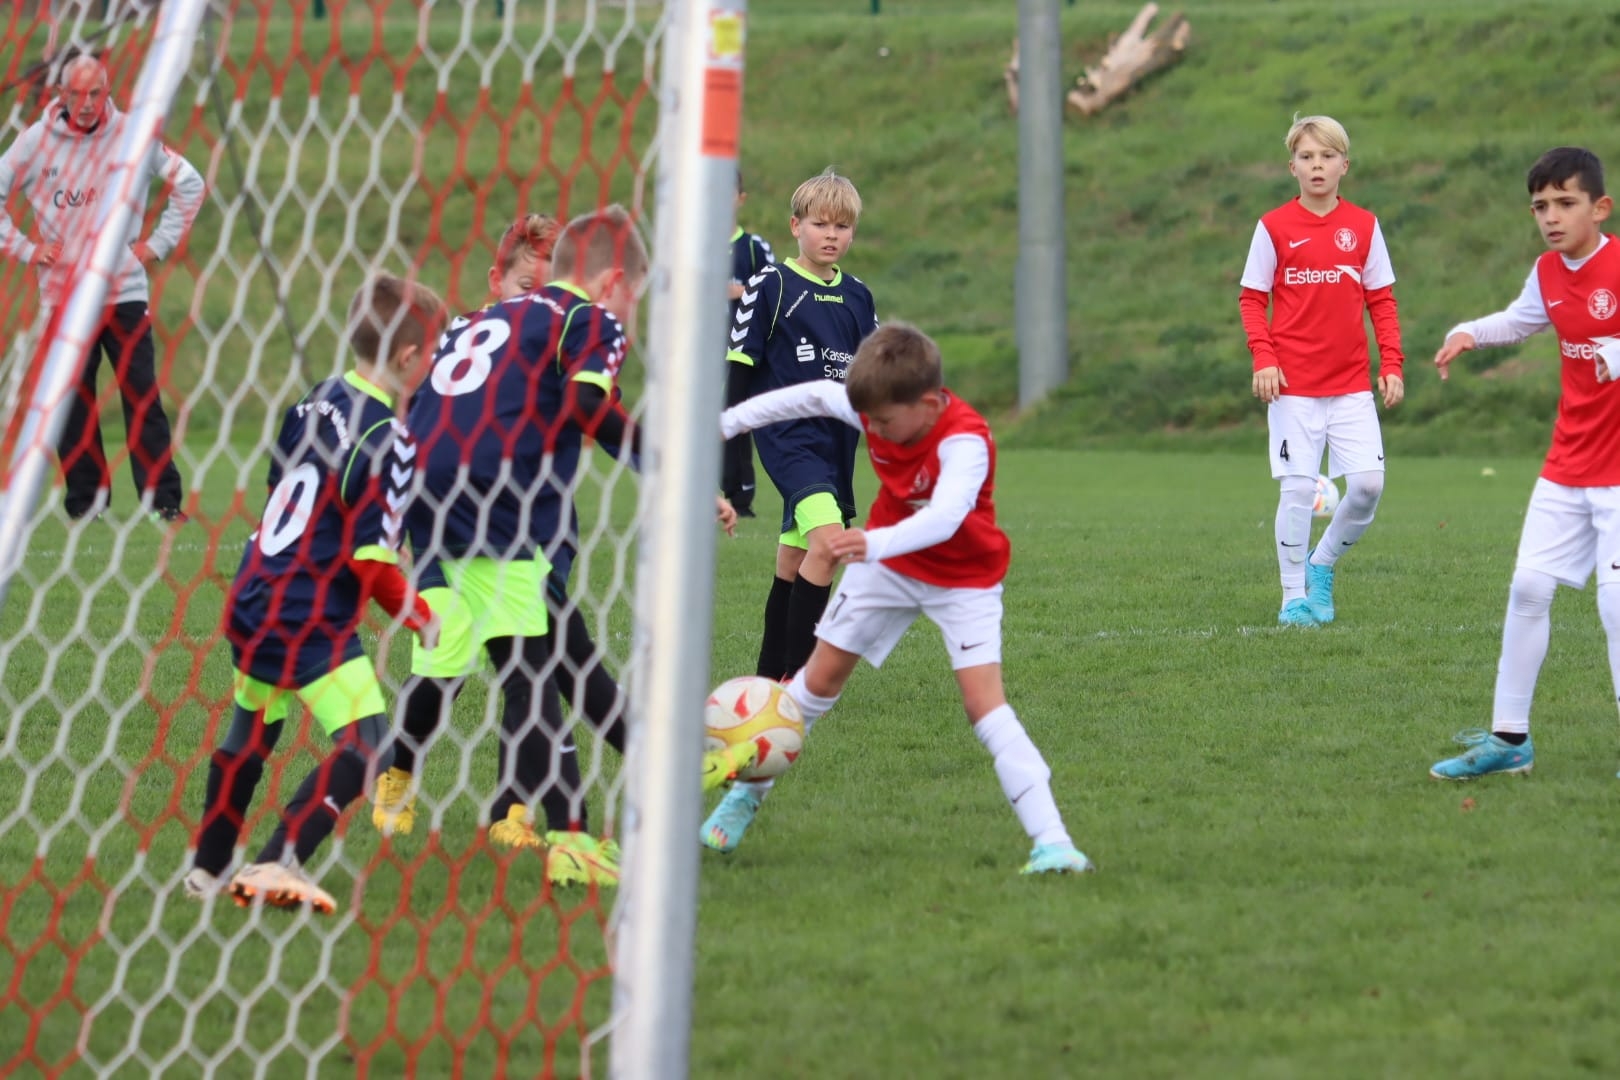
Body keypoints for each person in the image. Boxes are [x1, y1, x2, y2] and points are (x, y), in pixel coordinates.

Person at [373, 212, 748, 887]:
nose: (630, 312)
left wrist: (396, 514)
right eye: (634, 296)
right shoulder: (590, 321)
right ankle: (573, 836)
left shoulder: (481, 319)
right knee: (534, 665)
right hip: (501, 498)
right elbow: (586, 409)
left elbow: (425, 402)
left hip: (427, 494)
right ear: (612, 281)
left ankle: (658, 766)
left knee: (542, 649)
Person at [701, 322, 1093, 876]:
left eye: (884, 422)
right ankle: (744, 799)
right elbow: (808, 396)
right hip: (887, 568)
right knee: (815, 683)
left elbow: (946, 518)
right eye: (869, 420)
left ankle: (1053, 843)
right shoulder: (876, 405)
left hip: (963, 579)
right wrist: (726, 424)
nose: (875, 430)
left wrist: (871, 543)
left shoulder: (965, 441)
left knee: (985, 706)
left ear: (928, 405)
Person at [183, 274, 446, 914]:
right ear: (409, 357)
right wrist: (421, 616)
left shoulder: (316, 396)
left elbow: (285, 486)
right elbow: (372, 566)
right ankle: (279, 860)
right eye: (435, 350)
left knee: (251, 729)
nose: (437, 361)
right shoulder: (389, 439)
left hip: (254, 594)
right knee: (369, 744)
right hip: (308, 615)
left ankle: (206, 871)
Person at [1429, 146, 1620, 780]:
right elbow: (1520, 321)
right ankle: (1510, 739)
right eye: (1541, 206)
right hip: (1568, 463)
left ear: (1600, 207)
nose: (1551, 217)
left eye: (1566, 203)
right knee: (1528, 589)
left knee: (1616, 607)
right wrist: (1470, 331)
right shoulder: (1547, 272)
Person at [0, 54, 204, 524]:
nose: (87, 103)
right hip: (64, 297)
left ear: (108, 91)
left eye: (96, 93)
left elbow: (190, 184)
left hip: (122, 292)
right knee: (73, 402)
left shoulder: (133, 135)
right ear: (61, 95)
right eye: (77, 94)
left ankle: (163, 502)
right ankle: (86, 505)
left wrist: (156, 245)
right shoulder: (33, 142)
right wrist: (28, 248)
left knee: (141, 395)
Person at [1239, 114, 1404, 627]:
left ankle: (1322, 563)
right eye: (1307, 157)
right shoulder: (1273, 227)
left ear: (1343, 166)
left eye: (1327, 156)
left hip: (1351, 385)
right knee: (1296, 489)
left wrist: (1392, 363)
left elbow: (1382, 301)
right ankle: (1293, 598)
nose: (1317, 165)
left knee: (1369, 487)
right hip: (1292, 387)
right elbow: (1252, 299)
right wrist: (1264, 357)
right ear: (1292, 167)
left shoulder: (1364, 226)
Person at [728, 167, 877, 680]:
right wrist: (730, 454)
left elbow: (872, 375)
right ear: (796, 226)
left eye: (842, 226)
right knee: (829, 546)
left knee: (793, 562)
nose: (831, 235)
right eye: (820, 224)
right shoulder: (771, 285)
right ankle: (799, 677)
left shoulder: (858, 296)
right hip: (789, 439)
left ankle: (767, 679)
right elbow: (739, 368)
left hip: (836, 445)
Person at [721, 170, 775, 518]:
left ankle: (739, 498)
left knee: (737, 420)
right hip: (699, 354)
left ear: (740, 199)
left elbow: (774, 290)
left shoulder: (754, 248)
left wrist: (742, 291)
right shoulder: (693, 246)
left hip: (739, 351)